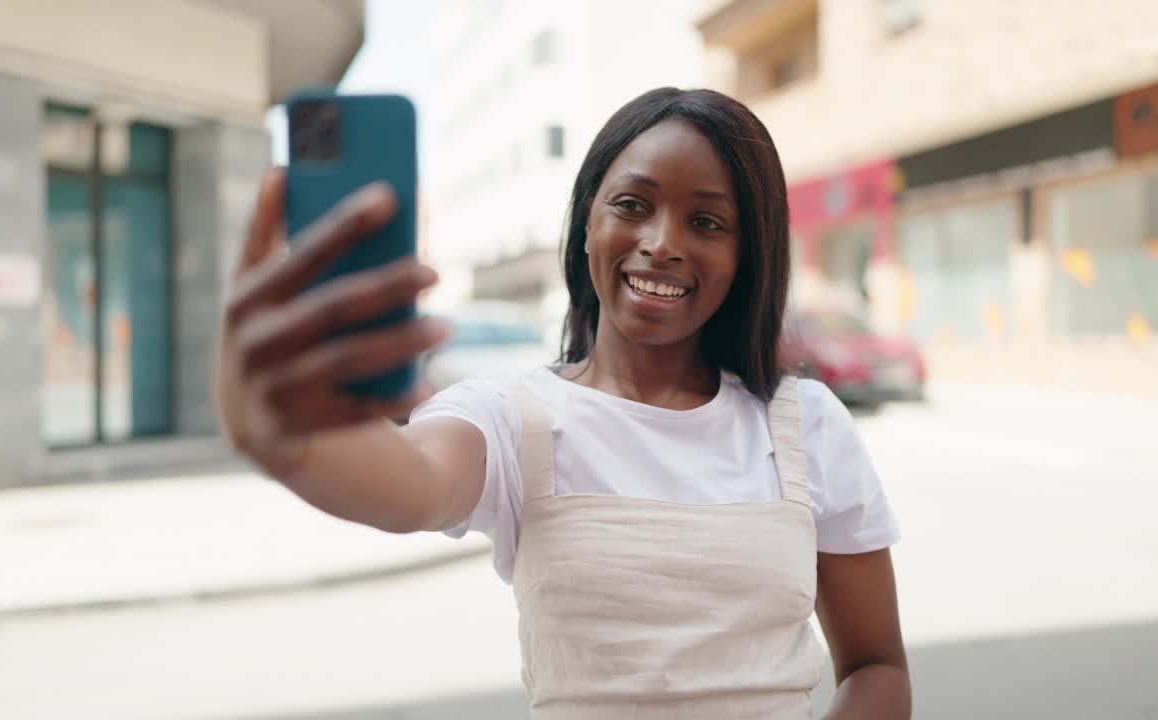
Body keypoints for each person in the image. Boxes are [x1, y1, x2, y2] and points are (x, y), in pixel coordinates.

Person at [215, 87, 910, 719]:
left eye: (707, 221)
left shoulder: (805, 424)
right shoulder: (511, 418)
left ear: (748, 254)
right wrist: (282, 433)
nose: (662, 243)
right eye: (632, 206)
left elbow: (877, 667)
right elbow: (413, 485)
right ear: (586, 226)